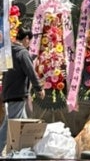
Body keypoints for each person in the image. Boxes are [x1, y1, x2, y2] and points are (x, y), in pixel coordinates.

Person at [0, 25, 45, 155]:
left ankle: (23, 151)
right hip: (17, 93)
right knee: (10, 125)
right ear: (26, 38)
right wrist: (39, 88)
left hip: (9, 92)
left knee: (24, 125)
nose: (29, 44)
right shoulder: (22, 52)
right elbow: (30, 71)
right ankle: (14, 150)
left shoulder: (9, 52)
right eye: (29, 41)